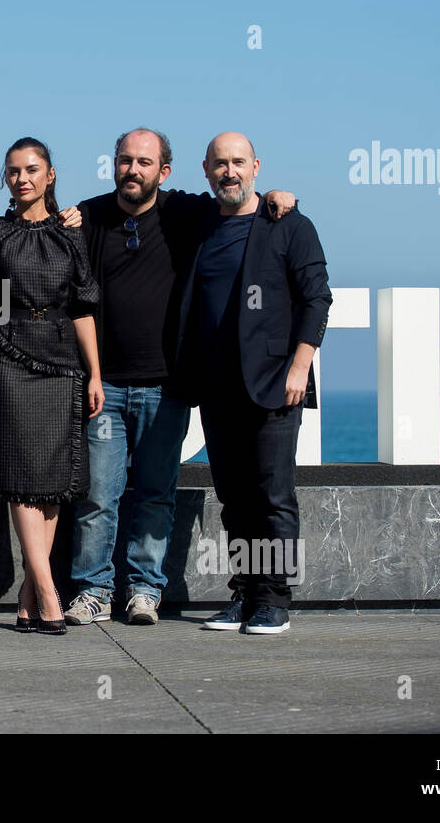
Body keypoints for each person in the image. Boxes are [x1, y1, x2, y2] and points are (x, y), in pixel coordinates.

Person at [65, 129, 296, 626]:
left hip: (167, 385)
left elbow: (244, 202)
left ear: (163, 172)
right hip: (104, 386)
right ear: (113, 165)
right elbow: (36, 229)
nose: (133, 170)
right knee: (97, 497)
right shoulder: (89, 215)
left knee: (156, 494)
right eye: (125, 160)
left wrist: (281, 196)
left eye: (144, 162)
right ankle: (94, 591)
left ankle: (146, 590)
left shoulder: (187, 213)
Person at [176, 131, 331, 635]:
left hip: (274, 382)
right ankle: (244, 594)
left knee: (273, 494)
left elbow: (317, 299)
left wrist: (300, 367)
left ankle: (274, 600)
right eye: (220, 164)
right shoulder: (200, 223)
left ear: (256, 166)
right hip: (217, 385)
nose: (229, 172)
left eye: (238, 162)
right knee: (235, 497)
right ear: (205, 170)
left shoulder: (288, 224)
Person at [0, 137, 103, 635]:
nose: (22, 179)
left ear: (50, 175)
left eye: (31, 170)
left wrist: (96, 373)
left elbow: (84, 306)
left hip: (64, 361)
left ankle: (26, 593)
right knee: (22, 474)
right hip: (9, 358)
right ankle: (47, 591)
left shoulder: (71, 235)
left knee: (52, 483)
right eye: (13, 171)